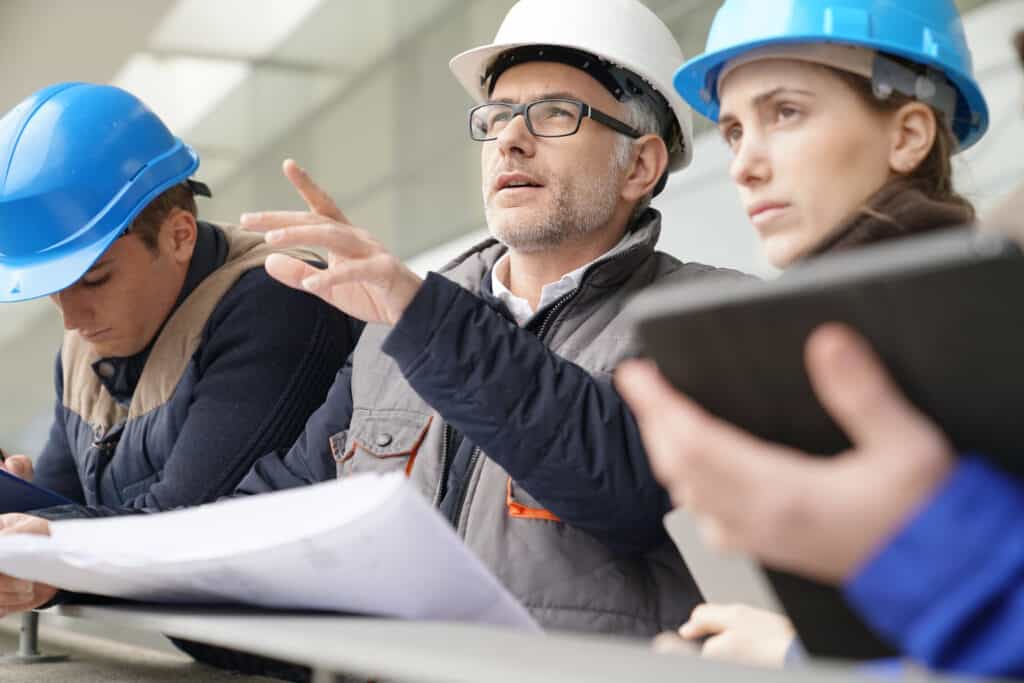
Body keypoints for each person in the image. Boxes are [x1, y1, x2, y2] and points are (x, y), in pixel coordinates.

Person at [0, 0, 747, 643]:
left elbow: (622, 482)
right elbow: (265, 515)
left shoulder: (707, 319)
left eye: (553, 115)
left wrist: (420, 313)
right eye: (495, 118)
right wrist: (67, 563)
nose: (510, 140)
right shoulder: (392, 337)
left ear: (642, 166)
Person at [618, 0, 1001, 672]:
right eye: (735, 131)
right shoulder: (829, 331)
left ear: (908, 133)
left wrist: (796, 655)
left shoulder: (988, 328)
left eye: (785, 112)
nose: (743, 165)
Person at [0, 82, 357, 565]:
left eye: (95, 280)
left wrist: (52, 533)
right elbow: (63, 506)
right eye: (54, 289)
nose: (71, 317)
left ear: (179, 237)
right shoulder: (83, 347)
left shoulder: (279, 301)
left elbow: (184, 524)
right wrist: (16, 506)